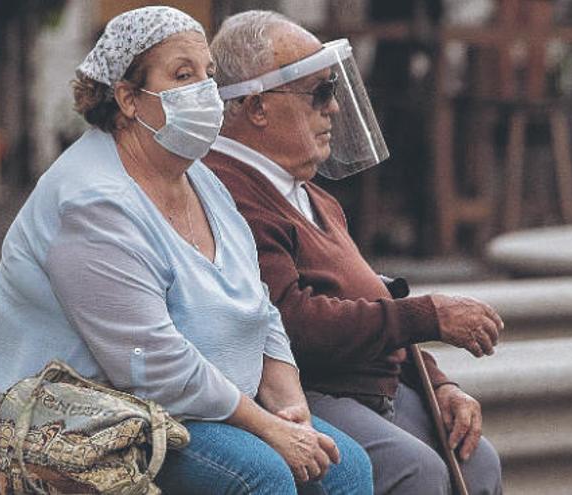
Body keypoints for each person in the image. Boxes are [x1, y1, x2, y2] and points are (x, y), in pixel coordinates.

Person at [0, 7, 372, 495]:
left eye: (208, 74)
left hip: (198, 414)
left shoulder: (201, 178)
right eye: (183, 75)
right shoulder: (91, 201)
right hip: (85, 434)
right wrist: (268, 428)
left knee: (347, 467)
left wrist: (292, 410)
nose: (205, 89)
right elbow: (151, 364)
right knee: (260, 474)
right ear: (129, 98)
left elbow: (259, 305)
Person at [205, 11, 504, 495]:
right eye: (319, 93)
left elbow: (369, 294)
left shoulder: (309, 192)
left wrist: (441, 383)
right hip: (305, 390)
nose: (335, 109)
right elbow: (292, 323)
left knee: (477, 461)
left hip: (370, 385)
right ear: (257, 107)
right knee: (416, 472)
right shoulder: (233, 191)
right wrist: (427, 315)